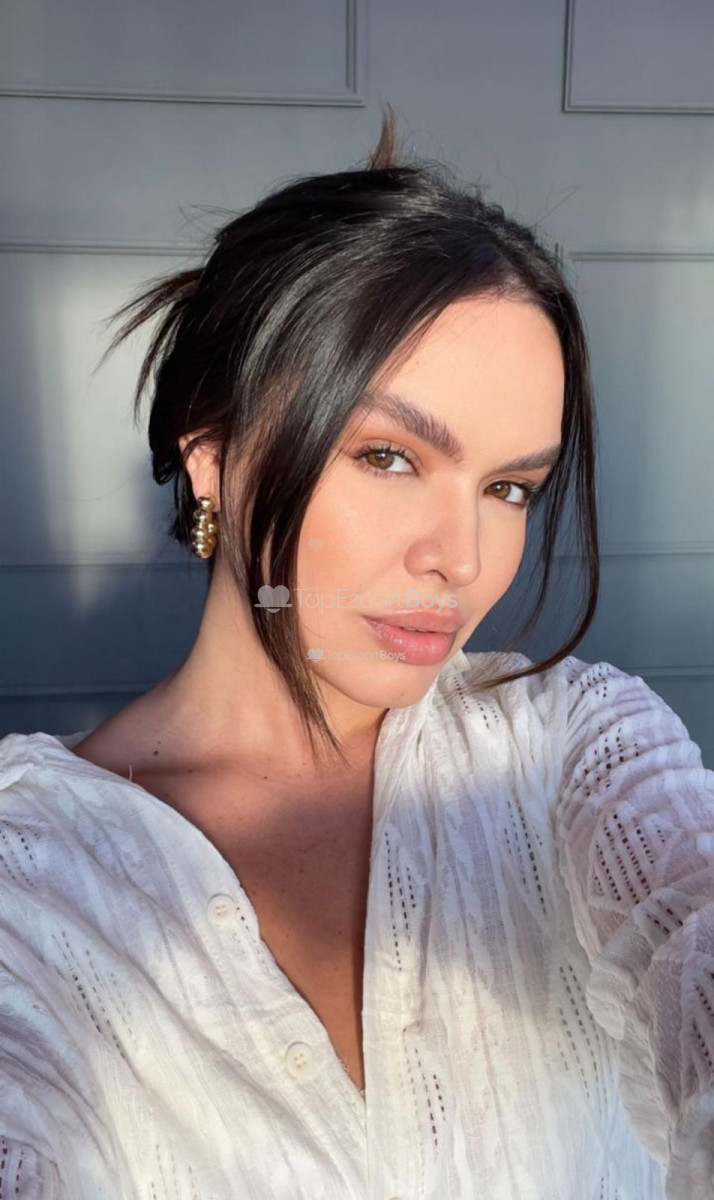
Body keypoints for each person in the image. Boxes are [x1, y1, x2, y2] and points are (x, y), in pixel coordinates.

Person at [1, 105, 712, 1200]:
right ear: (213, 451)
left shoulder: (574, 747)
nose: (461, 559)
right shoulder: (28, 882)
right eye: (388, 457)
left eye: (508, 487)